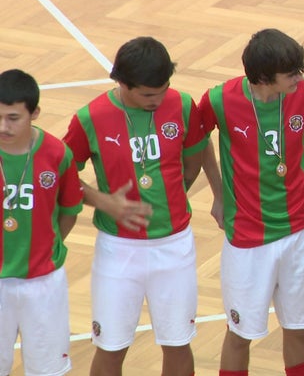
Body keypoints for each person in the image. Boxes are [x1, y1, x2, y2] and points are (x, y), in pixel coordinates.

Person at [63, 37, 207, 376]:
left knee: (177, 341)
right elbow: (61, 175)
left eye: (163, 90)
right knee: (111, 346)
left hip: (175, 246)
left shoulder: (182, 105)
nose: (157, 100)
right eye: (147, 94)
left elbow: (193, 162)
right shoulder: (90, 118)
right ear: (121, 83)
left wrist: (172, 195)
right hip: (118, 250)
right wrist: (100, 199)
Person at [199, 28, 304, 376]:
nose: (300, 79)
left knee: (300, 330)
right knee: (240, 334)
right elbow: (197, 143)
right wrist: (219, 192)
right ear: (263, 77)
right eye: (291, 74)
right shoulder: (218, 100)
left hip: (300, 229)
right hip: (247, 236)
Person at [0, 69, 83, 376]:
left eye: (13, 118)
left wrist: (48, 244)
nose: (3, 126)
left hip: (44, 283)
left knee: (48, 369)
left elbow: (70, 209)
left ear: (34, 112)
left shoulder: (57, 153)